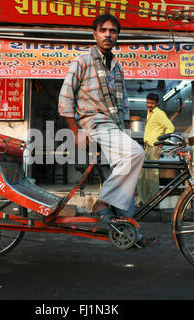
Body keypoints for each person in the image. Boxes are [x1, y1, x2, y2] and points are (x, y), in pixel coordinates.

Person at [58, 14, 145, 226]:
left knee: (126, 187)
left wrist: (125, 131)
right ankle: (101, 203)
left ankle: (125, 229)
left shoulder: (117, 66)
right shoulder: (82, 61)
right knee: (136, 153)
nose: (108, 34)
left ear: (117, 36)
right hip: (94, 123)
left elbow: (123, 102)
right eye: (103, 30)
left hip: (114, 126)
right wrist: (75, 131)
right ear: (95, 33)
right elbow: (65, 98)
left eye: (112, 31)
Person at [137, 93, 175, 205]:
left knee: (152, 176)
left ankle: (153, 203)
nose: (149, 105)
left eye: (152, 103)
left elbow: (170, 128)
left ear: (157, 103)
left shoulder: (159, 113)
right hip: (147, 146)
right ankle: (145, 201)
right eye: (148, 102)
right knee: (143, 176)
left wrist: (162, 141)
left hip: (154, 147)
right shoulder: (150, 112)